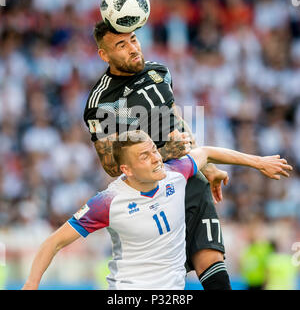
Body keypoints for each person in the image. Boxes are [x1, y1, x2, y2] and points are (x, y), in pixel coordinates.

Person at [83, 21, 291, 290]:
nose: (132, 48)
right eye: (120, 45)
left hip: (188, 177)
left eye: (133, 39)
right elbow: (112, 165)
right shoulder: (102, 101)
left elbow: (175, 123)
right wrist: (162, 154)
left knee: (212, 260)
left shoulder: (158, 73)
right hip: (150, 193)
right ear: (104, 54)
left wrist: (206, 167)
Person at [22, 130, 292, 290]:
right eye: (144, 156)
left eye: (153, 150)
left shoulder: (174, 173)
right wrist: (31, 285)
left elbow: (207, 152)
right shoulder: (108, 201)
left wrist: (258, 162)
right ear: (126, 170)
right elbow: (53, 242)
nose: (155, 158)